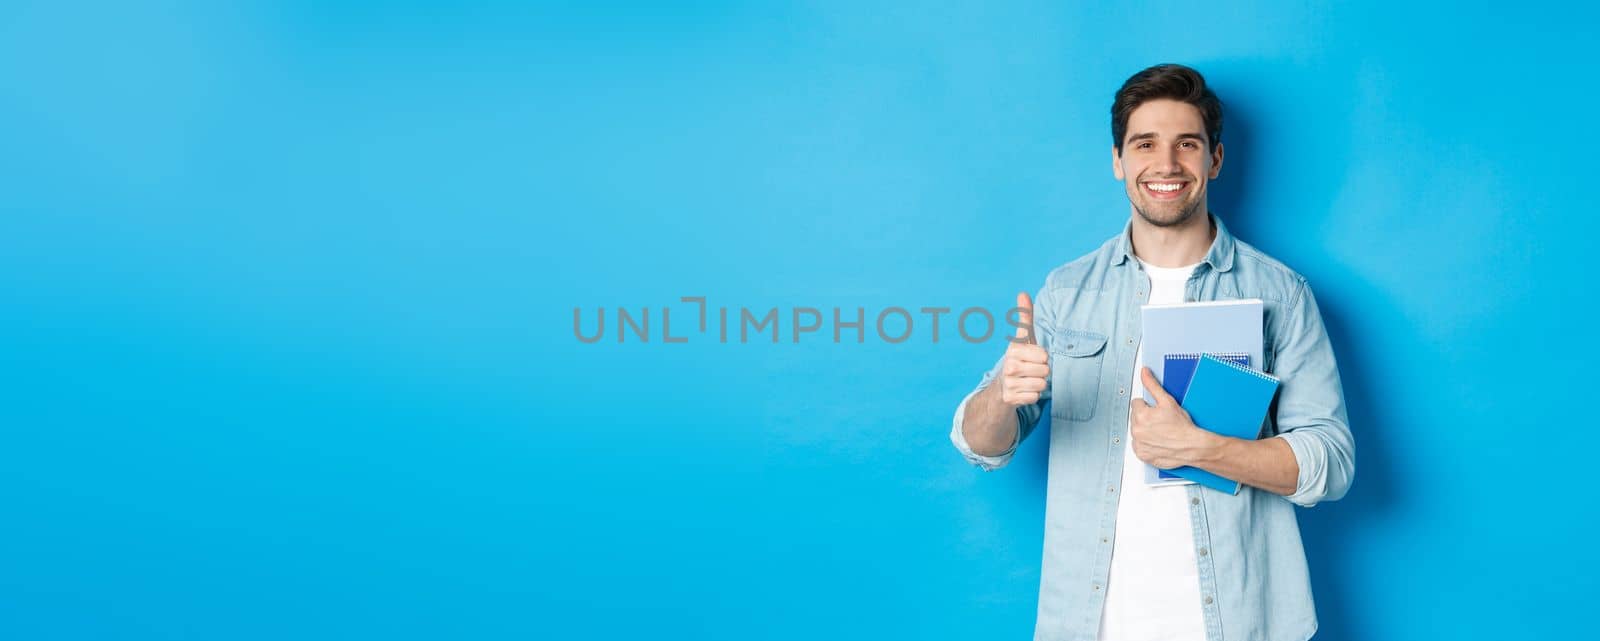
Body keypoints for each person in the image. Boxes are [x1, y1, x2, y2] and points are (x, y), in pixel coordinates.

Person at [950, 63, 1355, 641]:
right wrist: (1002, 393)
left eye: (1186, 144)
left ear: (1214, 160)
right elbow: (979, 446)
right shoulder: (1067, 293)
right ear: (1118, 161)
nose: (1166, 165)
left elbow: (1331, 462)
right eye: (1145, 145)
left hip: (1241, 621)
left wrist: (1201, 447)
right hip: (1090, 624)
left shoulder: (1280, 294)